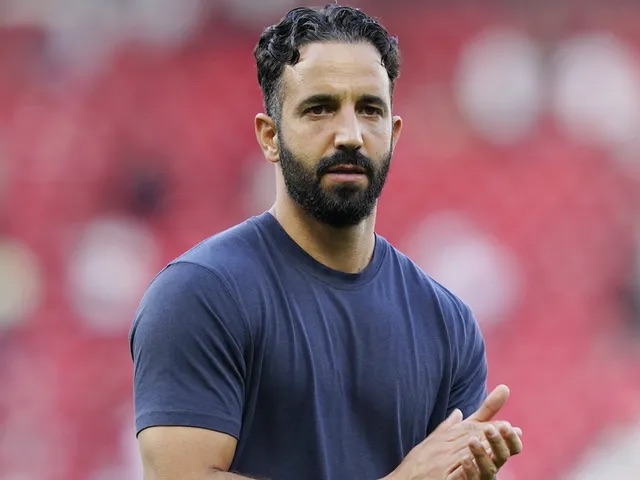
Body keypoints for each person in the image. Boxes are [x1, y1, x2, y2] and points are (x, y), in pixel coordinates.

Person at [129, 4, 524, 480]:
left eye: (370, 110)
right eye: (320, 109)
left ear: (394, 134)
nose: (350, 135)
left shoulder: (448, 325)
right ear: (270, 137)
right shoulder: (200, 296)